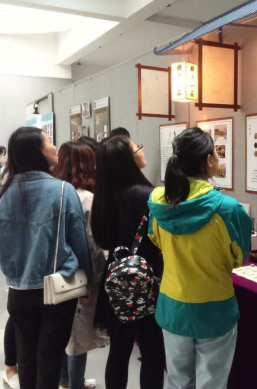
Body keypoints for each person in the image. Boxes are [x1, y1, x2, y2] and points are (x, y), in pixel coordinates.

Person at [0, 127, 91, 389]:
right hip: (57, 290)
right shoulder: (63, 191)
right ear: (38, 151)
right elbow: (80, 244)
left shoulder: (2, 194)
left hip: (18, 292)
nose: (55, 147)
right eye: (50, 142)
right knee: (50, 359)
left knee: (26, 357)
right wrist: (87, 280)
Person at [148, 128, 252, 389]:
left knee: (176, 379)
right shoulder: (228, 209)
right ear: (208, 160)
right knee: (212, 382)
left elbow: (156, 240)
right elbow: (238, 257)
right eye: (216, 153)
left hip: (172, 305)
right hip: (214, 307)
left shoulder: (159, 203)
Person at [91, 136, 165, 389]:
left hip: (116, 280)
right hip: (147, 280)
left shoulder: (104, 197)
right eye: (137, 148)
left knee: (119, 350)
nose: (141, 151)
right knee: (152, 352)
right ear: (128, 159)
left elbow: (102, 239)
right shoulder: (148, 195)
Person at [51, 142, 109, 389]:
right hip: (80, 274)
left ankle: (64, 381)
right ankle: (76, 384)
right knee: (78, 335)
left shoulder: (54, 192)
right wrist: (98, 278)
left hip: (54, 274)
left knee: (61, 330)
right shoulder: (87, 198)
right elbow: (93, 244)